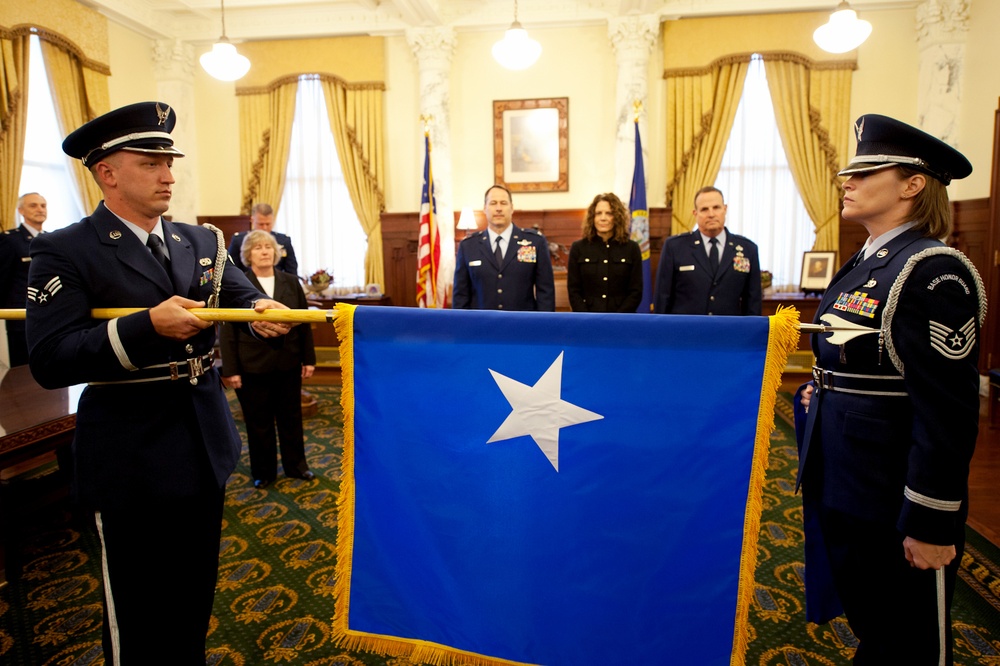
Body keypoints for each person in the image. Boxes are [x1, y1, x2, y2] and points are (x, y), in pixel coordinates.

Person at [25, 101, 292, 665]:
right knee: (138, 612)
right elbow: (50, 358)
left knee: (191, 600)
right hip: (129, 455)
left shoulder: (203, 242)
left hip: (204, 445)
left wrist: (263, 306)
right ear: (107, 173)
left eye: (169, 162)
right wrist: (146, 326)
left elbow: (240, 293)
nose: (169, 175)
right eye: (151, 163)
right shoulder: (64, 249)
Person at [795, 114, 983, 664]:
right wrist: (825, 390)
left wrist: (929, 520)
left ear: (913, 184)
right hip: (848, 474)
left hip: (892, 489)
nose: (846, 182)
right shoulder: (868, 260)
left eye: (866, 171)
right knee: (875, 617)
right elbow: (863, 358)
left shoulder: (932, 269)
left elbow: (947, 414)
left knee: (911, 636)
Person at [220, 230, 316, 489]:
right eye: (257, 247)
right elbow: (227, 330)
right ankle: (264, 472)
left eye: (268, 247)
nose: (264, 251)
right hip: (252, 366)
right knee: (258, 423)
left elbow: (304, 323)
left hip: (288, 363)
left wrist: (309, 359)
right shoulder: (239, 285)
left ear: (276, 253)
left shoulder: (291, 282)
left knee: (291, 419)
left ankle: (297, 467)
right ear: (247, 255)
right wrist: (231, 370)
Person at [653, 186, 761, 315]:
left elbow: (753, 301)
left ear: (725, 209)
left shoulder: (748, 249)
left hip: (729, 331)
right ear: (695, 213)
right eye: (704, 209)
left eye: (716, 208)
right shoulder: (675, 247)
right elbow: (662, 297)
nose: (711, 214)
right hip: (687, 331)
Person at [453, 184, 555, 311]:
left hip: (522, 325)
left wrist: (544, 326)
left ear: (512, 208)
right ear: (485, 208)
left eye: (503, 203)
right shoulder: (468, 246)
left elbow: (545, 292)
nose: (498, 208)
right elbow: (460, 296)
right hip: (481, 326)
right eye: (493, 203)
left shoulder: (534, 242)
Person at [567, 192, 643, 312]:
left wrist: (617, 319)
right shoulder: (578, 248)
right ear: (592, 218)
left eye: (609, 213)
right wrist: (586, 318)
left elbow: (635, 291)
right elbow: (574, 291)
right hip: (587, 320)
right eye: (598, 213)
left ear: (617, 217)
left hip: (621, 320)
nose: (603, 218)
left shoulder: (631, 248)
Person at [0, 193, 47, 366]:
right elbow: (3, 280)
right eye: (33, 205)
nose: (40, 209)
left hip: (50, 317)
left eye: (43, 205)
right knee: (24, 375)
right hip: (22, 320)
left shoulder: (52, 239)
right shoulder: (10, 240)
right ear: (20, 210)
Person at [227, 202, 299, 275]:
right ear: (252, 220)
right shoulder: (239, 241)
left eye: (268, 224)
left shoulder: (284, 241)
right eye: (261, 224)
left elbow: (292, 270)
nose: (265, 228)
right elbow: (232, 269)